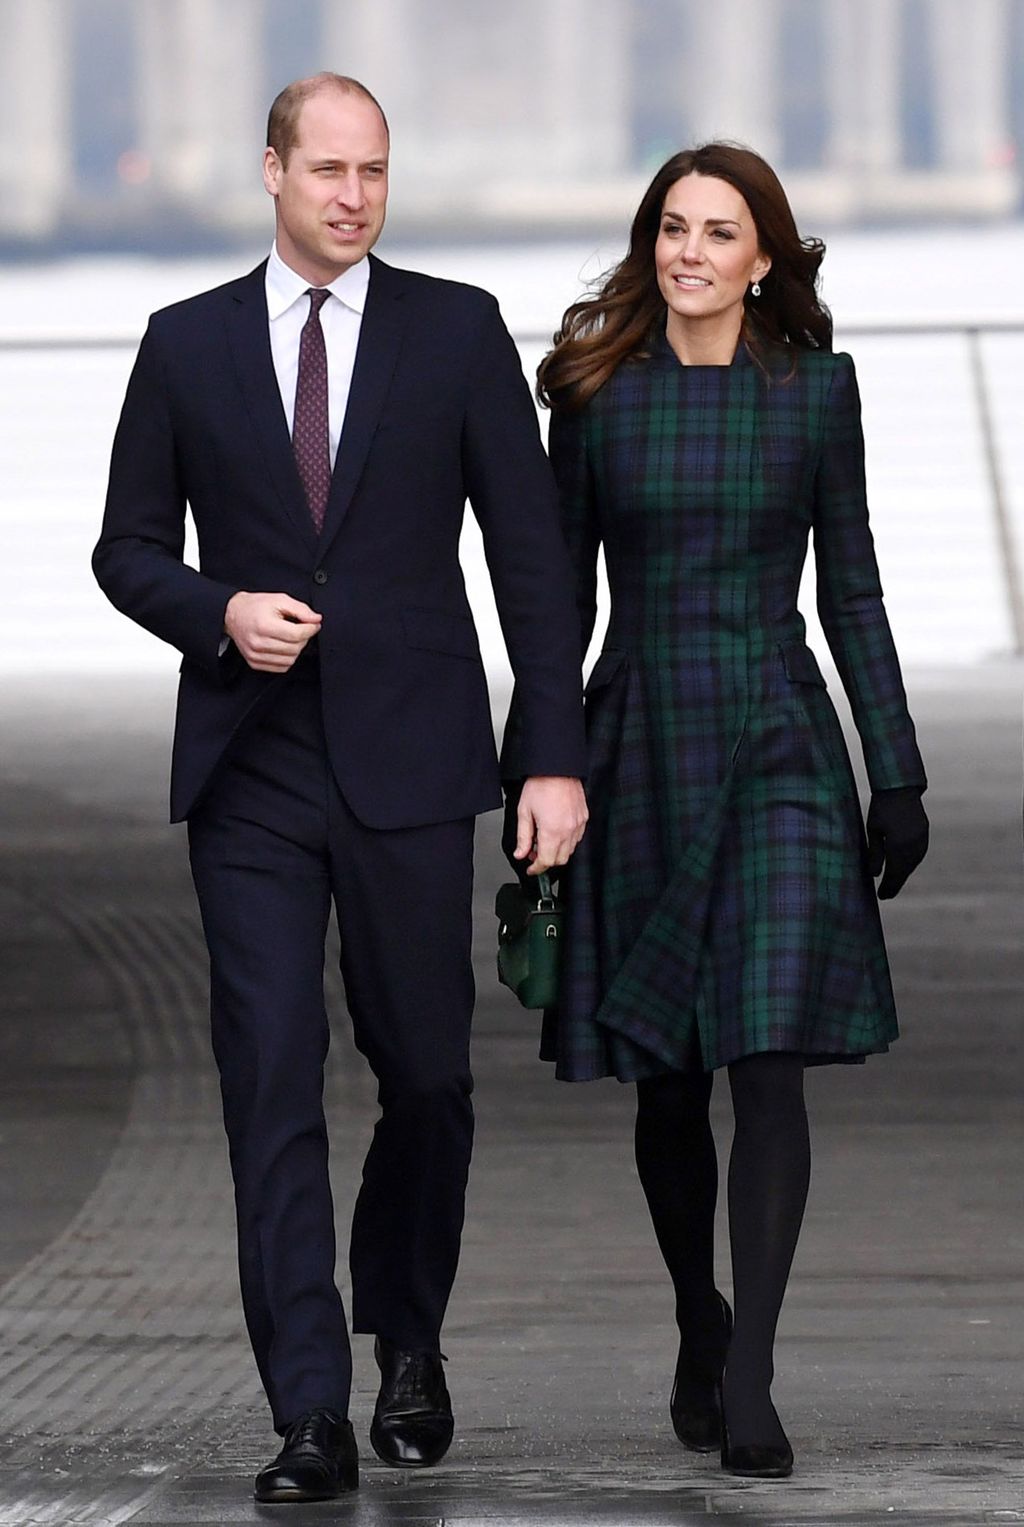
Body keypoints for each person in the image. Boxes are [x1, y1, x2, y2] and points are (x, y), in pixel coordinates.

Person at [94, 72, 588, 1504]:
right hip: (250, 762)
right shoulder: (185, 344)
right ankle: (308, 1407)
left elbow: (532, 564)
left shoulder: (457, 331)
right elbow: (127, 549)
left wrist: (551, 754)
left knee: (428, 1075)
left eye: (374, 170)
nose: (354, 196)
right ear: (273, 172)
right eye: (328, 169)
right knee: (269, 1076)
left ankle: (408, 1337)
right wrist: (218, 613)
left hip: (413, 757)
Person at [520, 143, 929, 1479]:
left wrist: (896, 770)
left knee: (767, 1058)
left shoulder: (817, 392)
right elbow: (558, 604)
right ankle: (701, 1318)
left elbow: (853, 587)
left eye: (719, 231)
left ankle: (750, 1375)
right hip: (640, 736)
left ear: (764, 259)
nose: (690, 251)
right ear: (652, 245)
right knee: (670, 1074)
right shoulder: (595, 395)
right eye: (673, 228)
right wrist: (541, 762)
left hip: (778, 741)